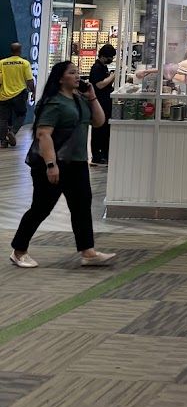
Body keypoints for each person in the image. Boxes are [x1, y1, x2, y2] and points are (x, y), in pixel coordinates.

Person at [10, 61, 116, 269]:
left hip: (77, 163)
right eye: (72, 73)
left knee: (81, 206)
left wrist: (92, 96)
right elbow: (43, 134)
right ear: (60, 78)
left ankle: (88, 252)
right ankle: (19, 251)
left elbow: (99, 122)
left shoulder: (78, 99)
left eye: (78, 72)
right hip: (54, 164)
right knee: (41, 208)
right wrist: (51, 165)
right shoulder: (53, 102)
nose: (77, 76)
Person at [0, 43, 35, 148]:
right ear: (20, 51)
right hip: (19, 94)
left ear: (11, 50)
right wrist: (33, 91)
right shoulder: (24, 63)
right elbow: (29, 80)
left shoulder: (2, 62)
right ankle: (13, 132)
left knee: (2, 119)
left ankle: (3, 142)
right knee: (22, 114)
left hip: (3, 94)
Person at [89, 44, 116, 166]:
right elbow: (99, 85)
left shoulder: (103, 67)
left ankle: (103, 154)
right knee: (99, 130)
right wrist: (112, 76)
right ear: (105, 56)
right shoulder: (96, 68)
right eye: (111, 57)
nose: (112, 60)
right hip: (100, 104)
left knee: (104, 130)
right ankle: (97, 156)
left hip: (104, 103)